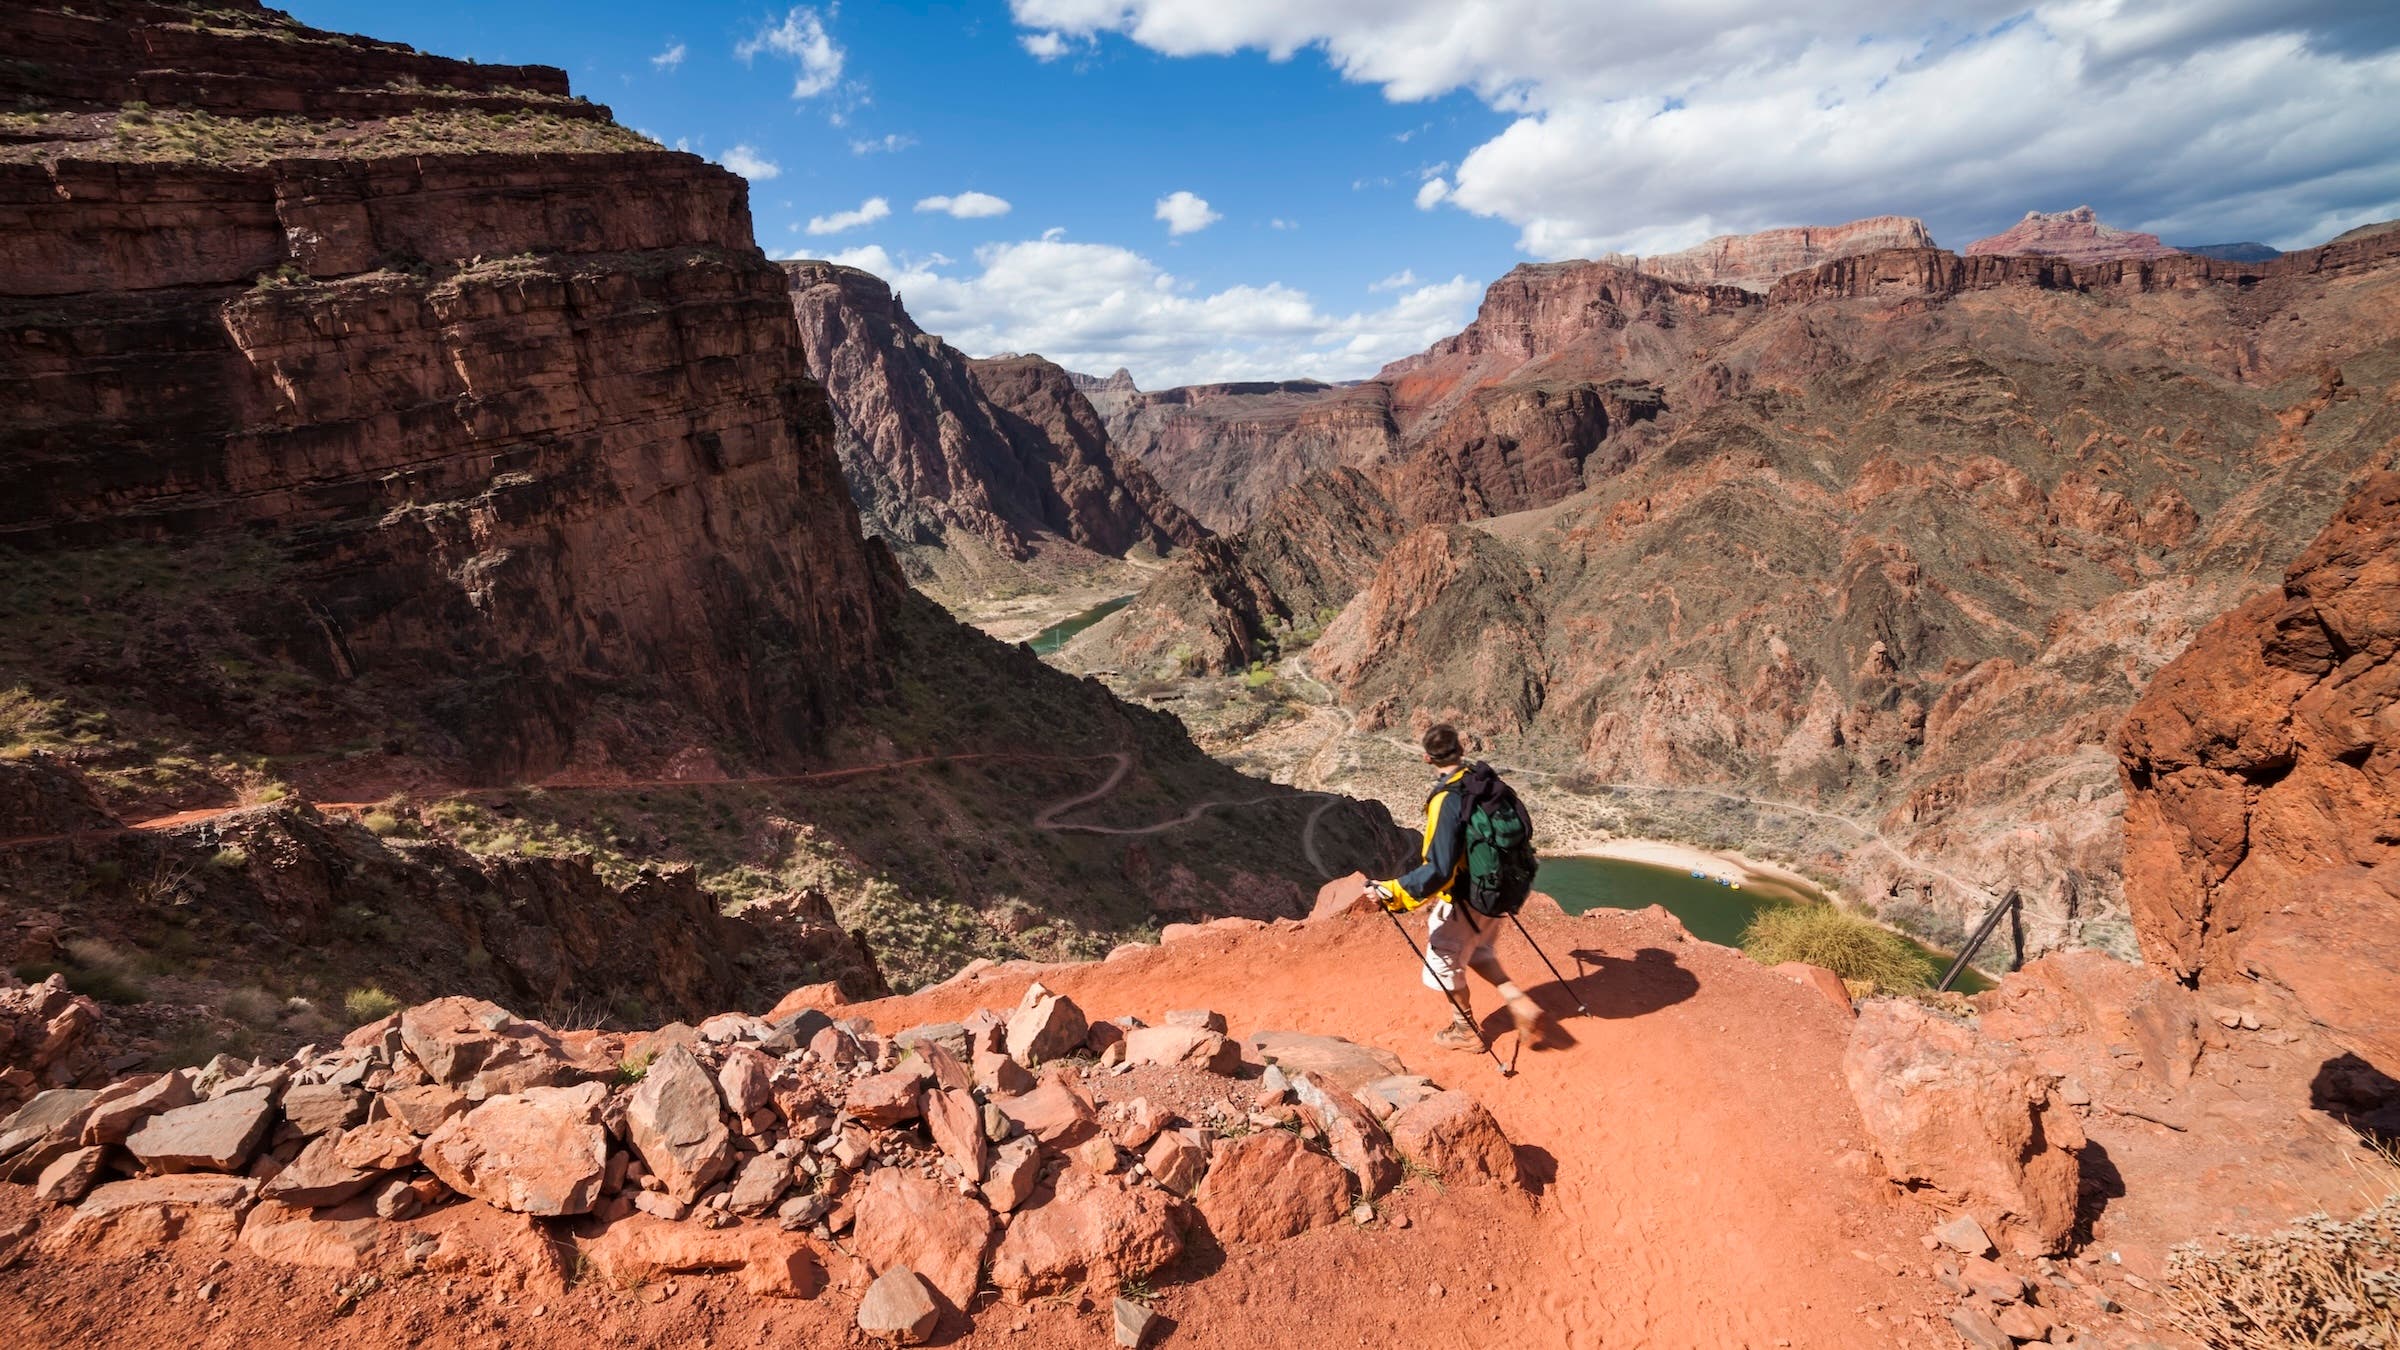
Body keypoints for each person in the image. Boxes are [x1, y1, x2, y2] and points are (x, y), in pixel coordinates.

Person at [1366, 723, 1554, 1051]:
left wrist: (1391, 891)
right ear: (1462, 749)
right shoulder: (1485, 781)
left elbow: (1438, 869)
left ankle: (1465, 1031)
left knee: (1442, 962)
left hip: (1467, 897)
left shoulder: (1447, 800)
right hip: (1497, 887)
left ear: (1427, 758)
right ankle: (1517, 999)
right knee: (1478, 950)